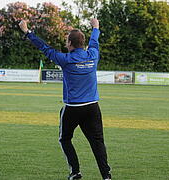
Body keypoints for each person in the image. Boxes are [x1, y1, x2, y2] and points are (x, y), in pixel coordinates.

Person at [19, 19, 111, 180]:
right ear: (83, 43)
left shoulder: (66, 59)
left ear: (70, 43)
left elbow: (44, 47)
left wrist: (27, 32)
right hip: (92, 108)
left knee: (65, 139)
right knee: (98, 143)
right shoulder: (93, 55)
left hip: (73, 108)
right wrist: (95, 27)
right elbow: (94, 40)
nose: (66, 43)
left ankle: (75, 172)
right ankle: (107, 176)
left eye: (67, 41)